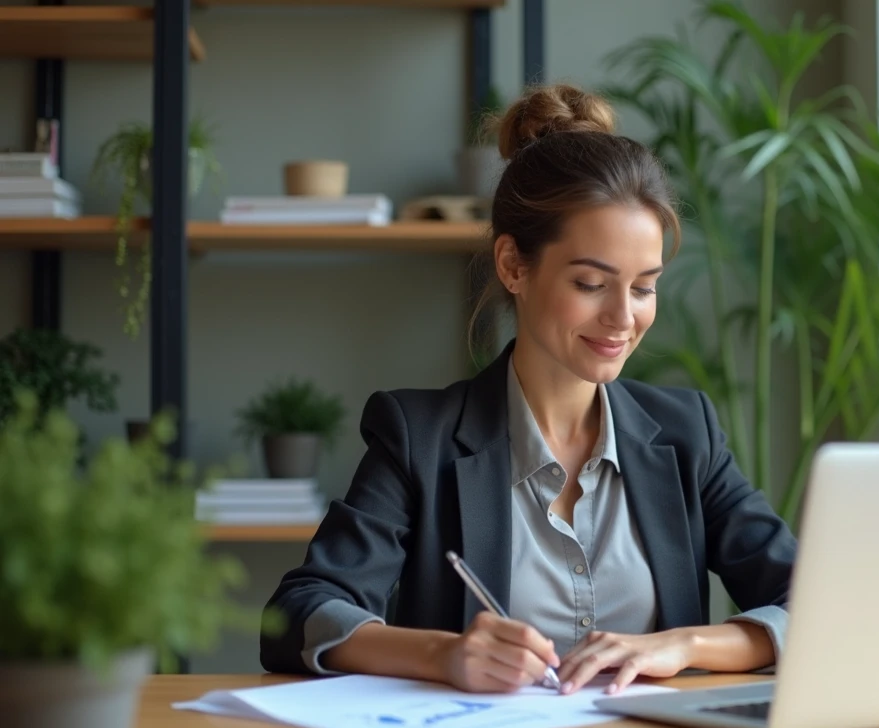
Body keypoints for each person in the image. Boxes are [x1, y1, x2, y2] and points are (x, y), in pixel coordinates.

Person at [259, 83, 798, 696]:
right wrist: (446, 654)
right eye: (592, 283)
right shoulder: (419, 438)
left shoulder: (685, 434)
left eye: (644, 287)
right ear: (514, 265)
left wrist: (688, 643)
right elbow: (298, 614)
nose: (624, 317)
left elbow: (816, 603)